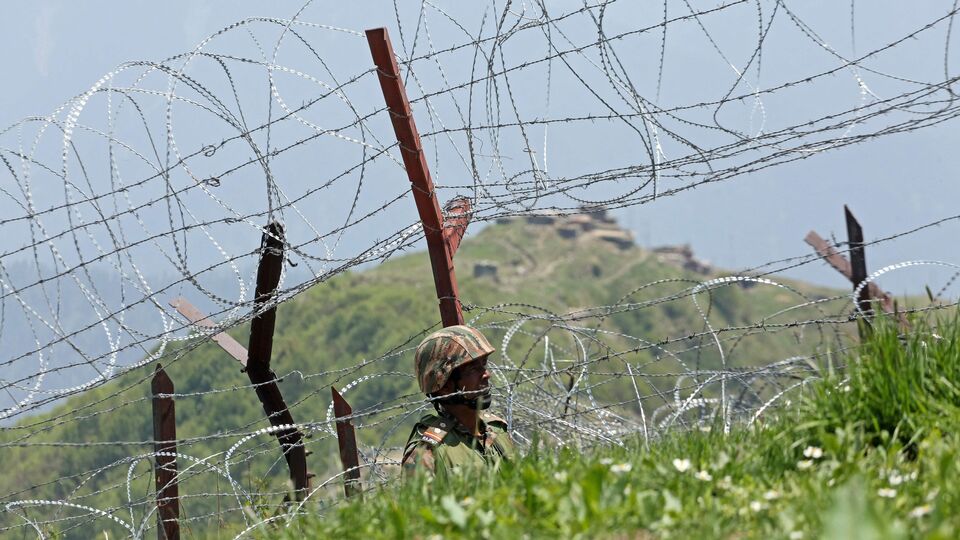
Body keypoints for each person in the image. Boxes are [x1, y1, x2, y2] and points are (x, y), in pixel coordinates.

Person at [401, 325, 517, 476]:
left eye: (484, 365)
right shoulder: (427, 452)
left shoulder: (497, 431)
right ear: (444, 386)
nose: (486, 374)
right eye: (473, 370)